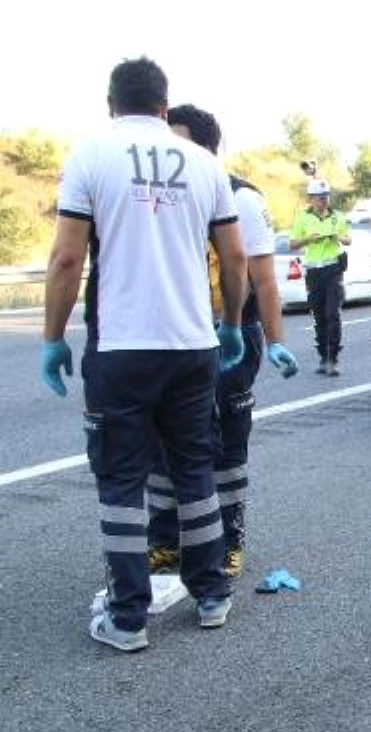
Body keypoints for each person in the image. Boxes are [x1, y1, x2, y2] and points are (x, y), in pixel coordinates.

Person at [40, 56, 248, 651]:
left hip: (123, 348)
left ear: (111, 106)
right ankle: (211, 595)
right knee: (192, 468)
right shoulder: (205, 165)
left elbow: (65, 259)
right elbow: (232, 261)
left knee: (122, 478)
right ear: (164, 106)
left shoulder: (90, 157)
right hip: (193, 347)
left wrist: (54, 337)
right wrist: (231, 325)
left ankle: (128, 618)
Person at [144, 104, 299, 581]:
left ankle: (229, 539)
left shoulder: (240, 198)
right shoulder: (161, 196)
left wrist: (273, 339)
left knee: (226, 443)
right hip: (172, 339)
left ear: (207, 147)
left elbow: (264, 281)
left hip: (229, 337)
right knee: (162, 443)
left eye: (179, 141)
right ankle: (166, 540)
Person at [289, 179, 351, 375]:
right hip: (314, 272)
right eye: (320, 198)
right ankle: (323, 357)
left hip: (333, 269)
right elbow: (292, 244)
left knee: (332, 313)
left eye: (326, 197)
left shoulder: (337, 217)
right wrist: (308, 239)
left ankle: (333, 359)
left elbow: (348, 239)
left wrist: (337, 236)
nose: (324, 201)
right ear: (311, 199)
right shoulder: (302, 218)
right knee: (319, 316)